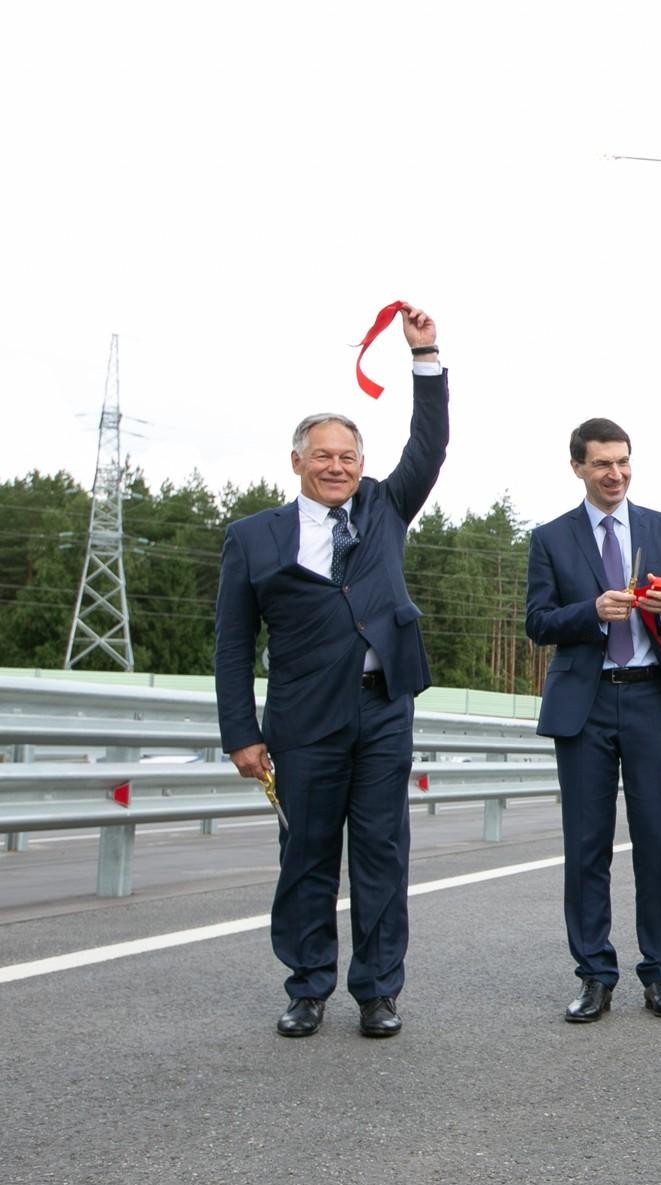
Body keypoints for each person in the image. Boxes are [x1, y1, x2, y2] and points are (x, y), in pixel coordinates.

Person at [214, 303, 447, 1039]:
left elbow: (430, 445)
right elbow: (231, 644)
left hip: (382, 712)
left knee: (381, 856)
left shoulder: (385, 507)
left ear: (361, 465)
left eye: (348, 456)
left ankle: (377, 991)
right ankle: (307, 986)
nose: (337, 467)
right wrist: (240, 733)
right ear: (297, 462)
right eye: (323, 456)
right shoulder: (252, 539)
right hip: (303, 722)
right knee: (306, 858)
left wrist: (425, 358)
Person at [525, 418, 661, 1023]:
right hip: (587, 704)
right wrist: (590, 611)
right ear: (577, 467)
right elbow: (537, 622)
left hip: (654, 699)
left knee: (658, 842)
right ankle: (594, 976)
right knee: (586, 846)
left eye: (623, 461)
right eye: (602, 463)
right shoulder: (550, 539)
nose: (616, 473)